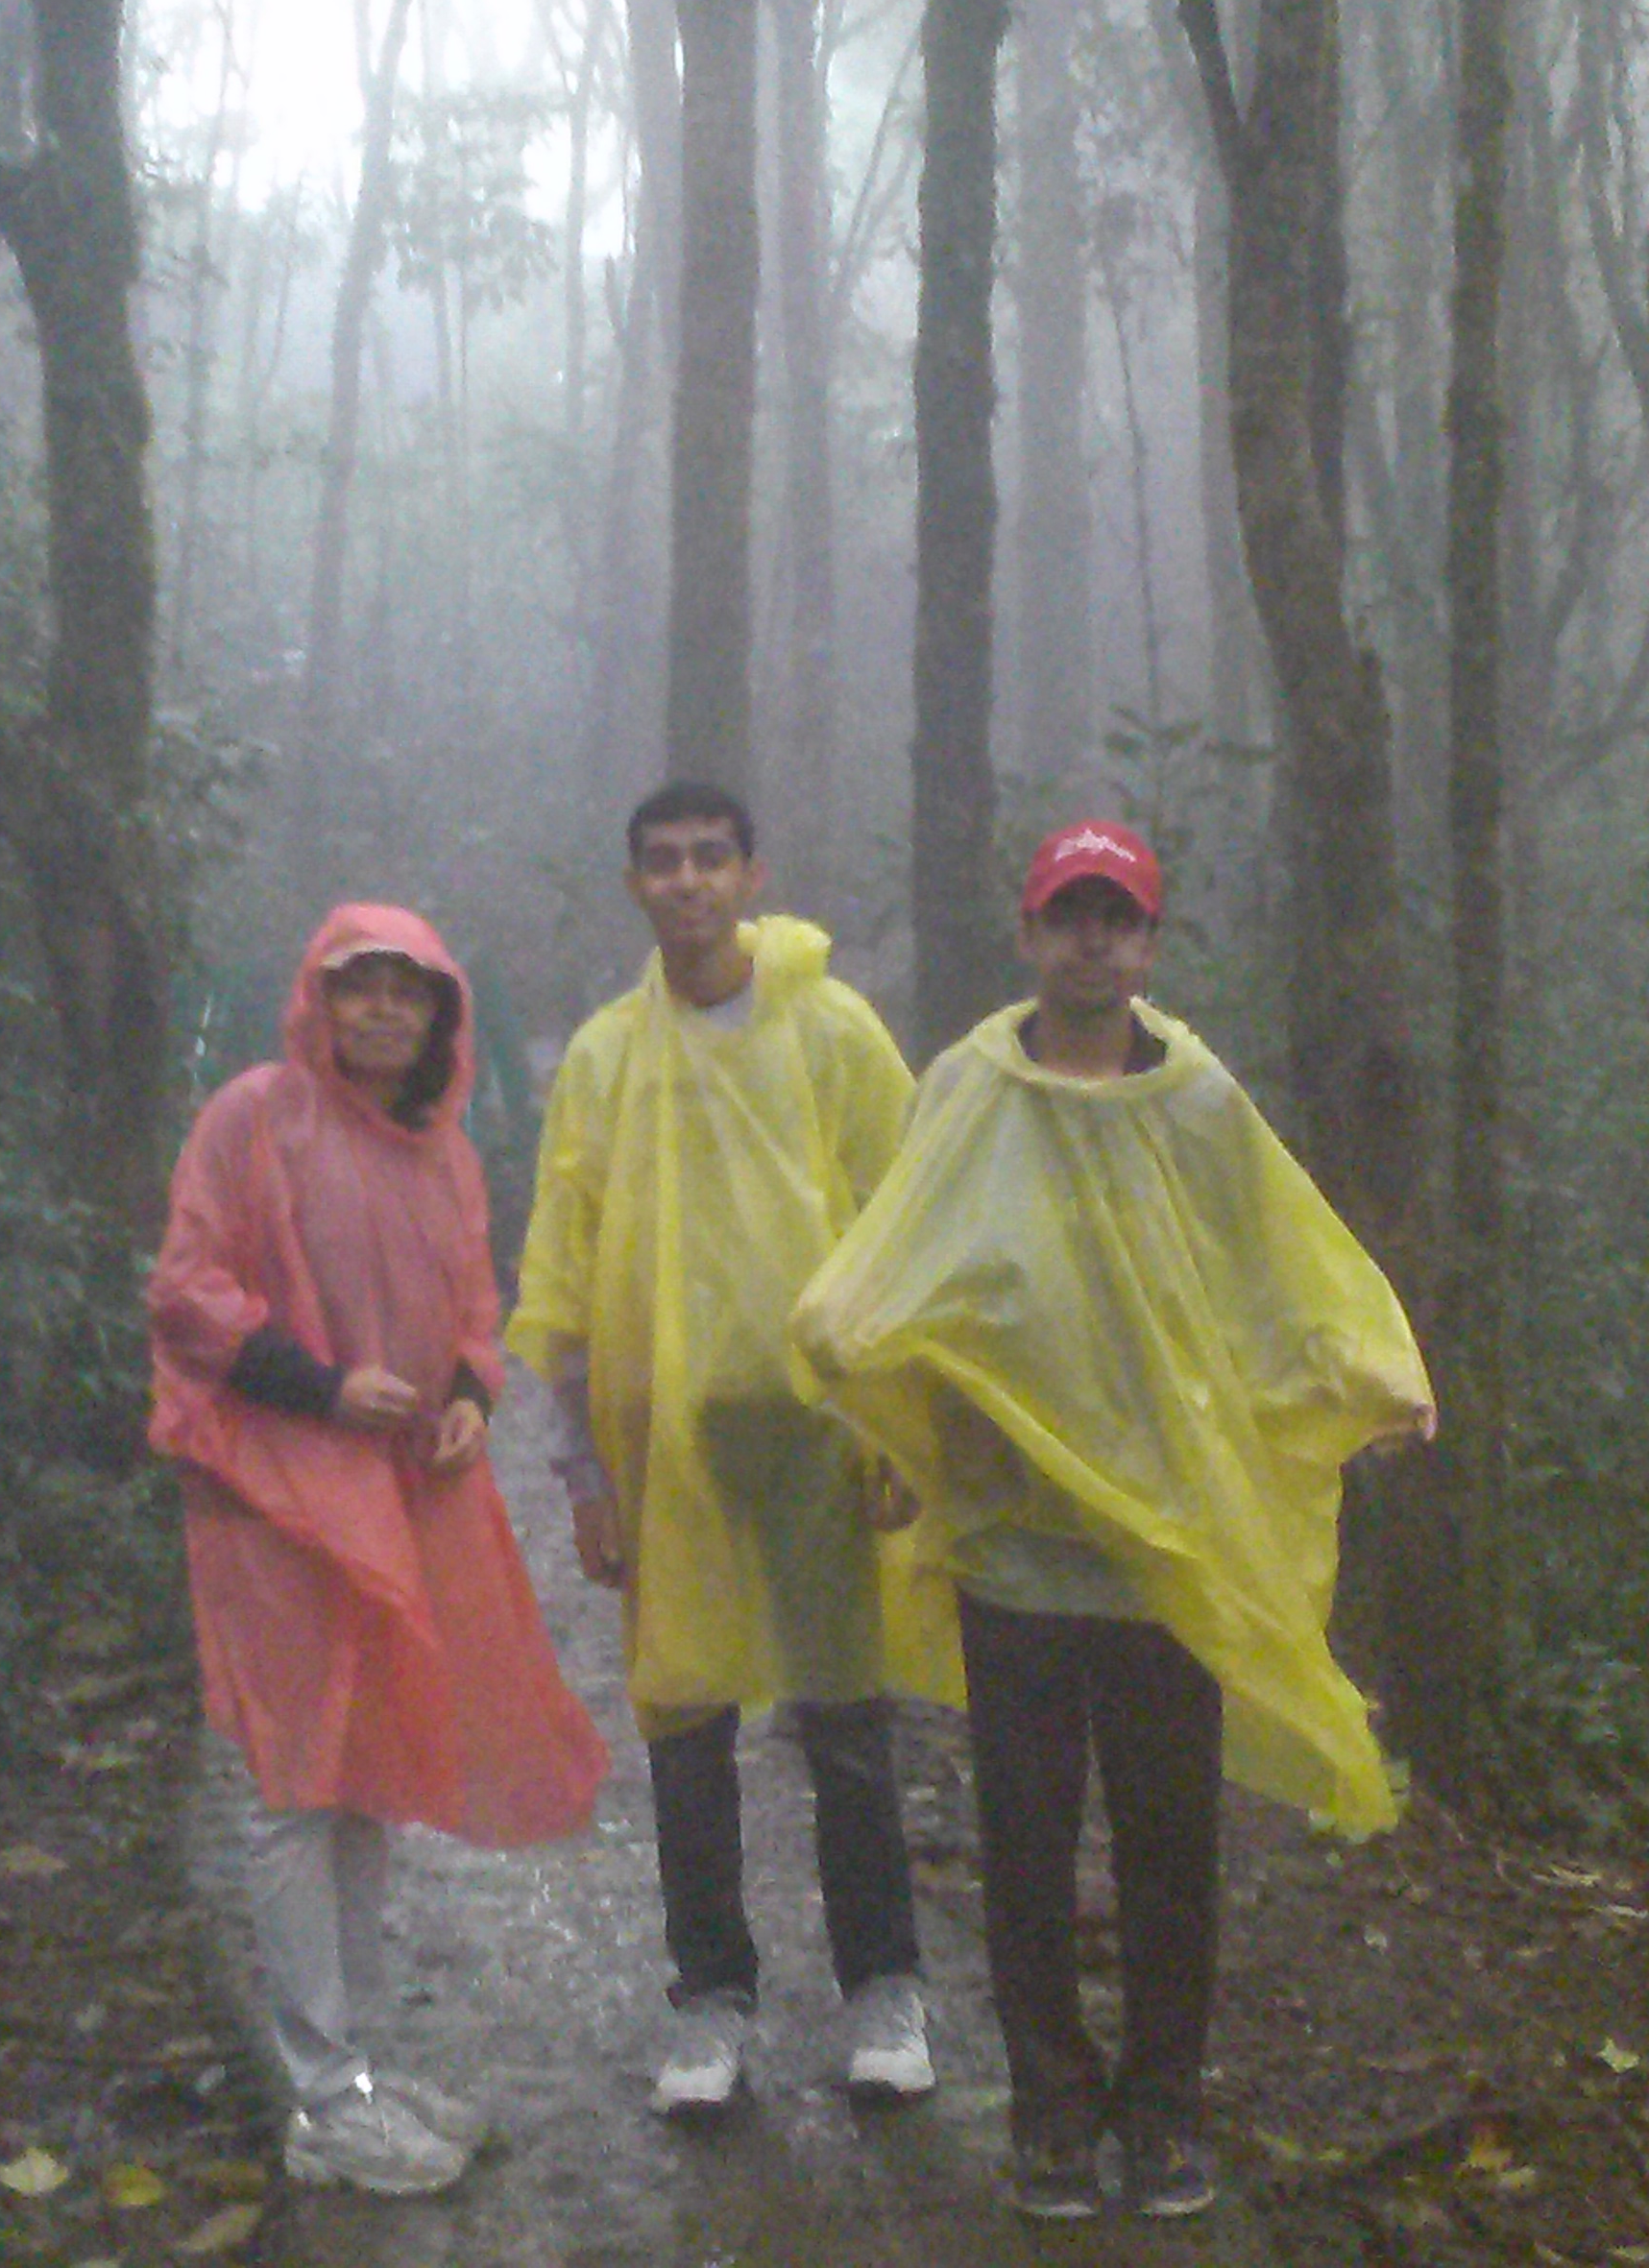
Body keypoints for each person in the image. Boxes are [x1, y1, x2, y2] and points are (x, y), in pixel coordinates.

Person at [793, 821, 1434, 2221]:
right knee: (1025, 1847)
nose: (1092, 940)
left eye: (1117, 919)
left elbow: (1281, 1261)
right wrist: (892, 1421)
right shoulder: (969, 1088)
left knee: (1168, 1852)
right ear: (1029, 936)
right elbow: (893, 1265)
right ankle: (1050, 2112)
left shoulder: (1197, 1103)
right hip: (1015, 1551)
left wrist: (1373, 1374)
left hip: (1162, 1553)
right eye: (1068, 916)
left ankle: (1162, 2114)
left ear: (1148, 945)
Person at [507, 781, 958, 2118]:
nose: (690, 882)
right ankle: (711, 2001)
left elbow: (906, 1222)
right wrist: (582, 1472)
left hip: (820, 1431)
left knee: (845, 1715)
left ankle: (886, 1990)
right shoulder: (605, 1056)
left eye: (713, 858)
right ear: (637, 885)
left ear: (754, 873)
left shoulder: (830, 1028)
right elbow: (570, 1268)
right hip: (666, 1441)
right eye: (664, 862)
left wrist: (902, 1427)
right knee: (687, 1715)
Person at [150, 904, 608, 2196]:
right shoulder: (254, 1118)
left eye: (411, 993)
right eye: (361, 989)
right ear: (320, 1000)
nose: (384, 1013)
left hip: (396, 1494)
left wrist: (470, 1391)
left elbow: (474, 1299)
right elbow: (189, 1291)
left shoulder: (444, 1153)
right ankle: (322, 2094)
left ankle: (356, 2062)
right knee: (301, 1788)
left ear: (441, 1018)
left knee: (362, 1777)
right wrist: (320, 1388)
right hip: (273, 1488)